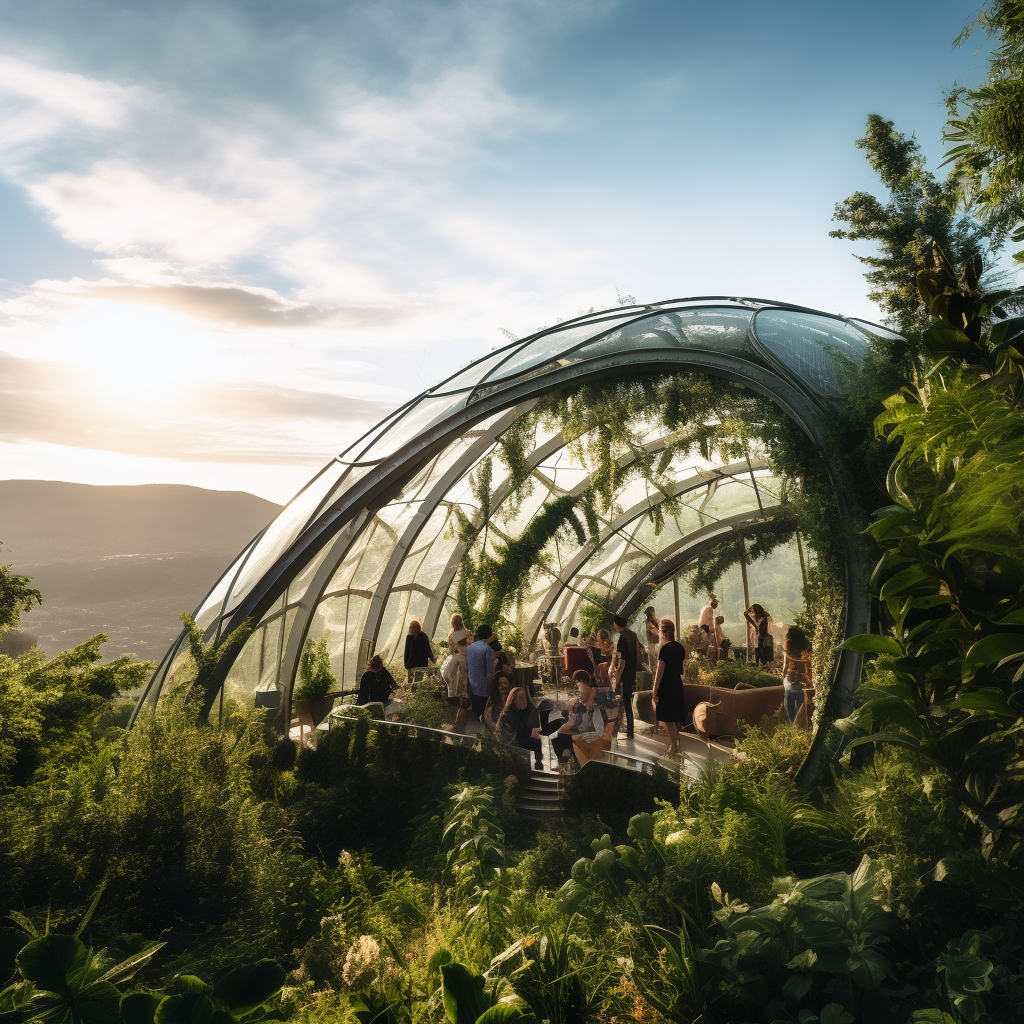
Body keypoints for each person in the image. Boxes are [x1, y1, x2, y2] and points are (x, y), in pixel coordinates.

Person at [554, 669, 620, 766]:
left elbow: (609, 717)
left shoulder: (600, 698)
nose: (579, 691)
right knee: (559, 735)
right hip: (584, 734)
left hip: (596, 736)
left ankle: (569, 763)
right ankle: (565, 762)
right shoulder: (579, 704)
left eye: (579, 685)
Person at [653, 617, 686, 755]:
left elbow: (659, 671)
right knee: (670, 718)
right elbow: (682, 670)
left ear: (663, 633)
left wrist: (654, 689)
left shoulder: (664, 649)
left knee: (667, 718)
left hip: (666, 685)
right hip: (676, 684)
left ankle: (675, 745)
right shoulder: (680, 647)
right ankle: (675, 743)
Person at [497, 686, 544, 769]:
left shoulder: (522, 710)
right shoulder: (508, 715)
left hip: (519, 738)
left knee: (536, 740)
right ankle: (537, 764)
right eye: (521, 697)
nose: (524, 699)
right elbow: (512, 737)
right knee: (535, 741)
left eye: (524, 697)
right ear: (514, 699)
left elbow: (531, 721)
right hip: (512, 744)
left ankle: (538, 762)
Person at [611, 614, 638, 739]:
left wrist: (616, 678)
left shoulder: (622, 638)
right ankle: (629, 730)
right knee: (627, 702)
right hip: (632, 672)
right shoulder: (632, 635)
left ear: (616, 625)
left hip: (625, 674)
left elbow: (623, 661)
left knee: (622, 702)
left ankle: (619, 731)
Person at [782, 625, 813, 725]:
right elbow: (808, 670)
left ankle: (793, 728)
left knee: (789, 709)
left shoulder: (788, 651)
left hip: (790, 683)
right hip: (802, 685)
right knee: (800, 711)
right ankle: (799, 728)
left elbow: (784, 669)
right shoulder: (805, 652)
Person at [466, 623, 495, 725]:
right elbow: (490, 671)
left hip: (472, 687)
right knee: (485, 715)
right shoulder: (488, 649)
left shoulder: (469, 648)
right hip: (484, 689)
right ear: (489, 635)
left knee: (475, 714)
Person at [446, 614, 471, 730]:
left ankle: (457, 698)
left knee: (453, 676)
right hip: (468, 660)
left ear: (452, 624)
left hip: (458, 659)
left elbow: (451, 649)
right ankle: (465, 699)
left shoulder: (451, 635)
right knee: (465, 679)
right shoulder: (468, 633)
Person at [403, 620, 434, 684]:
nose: (414, 629)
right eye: (413, 628)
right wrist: (406, 664)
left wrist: (433, 659)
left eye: (415, 627)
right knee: (411, 682)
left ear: (418, 628)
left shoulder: (423, 636)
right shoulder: (409, 637)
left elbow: (427, 649)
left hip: (421, 663)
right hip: (411, 664)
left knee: (419, 681)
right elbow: (407, 651)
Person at [644, 606, 660, 670]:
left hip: (657, 643)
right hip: (652, 644)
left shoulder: (657, 621)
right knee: (653, 658)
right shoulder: (648, 623)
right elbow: (656, 632)